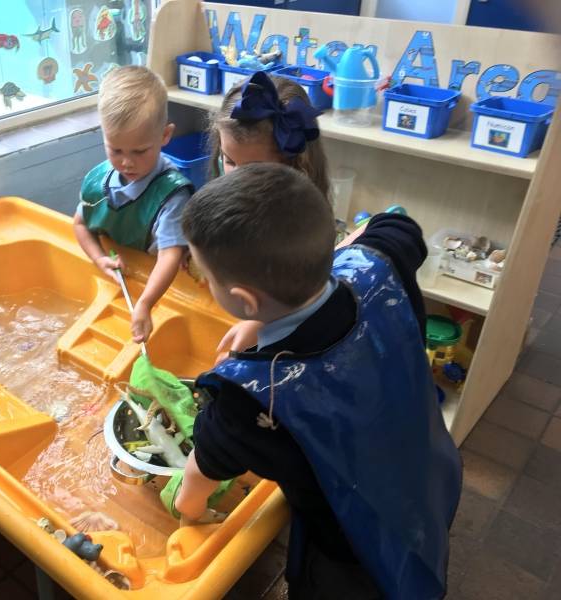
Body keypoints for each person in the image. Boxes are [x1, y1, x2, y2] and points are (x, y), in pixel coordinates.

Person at [174, 163, 462, 599]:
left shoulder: (250, 399)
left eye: (206, 277)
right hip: (427, 471)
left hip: (351, 547)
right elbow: (395, 223)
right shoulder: (380, 259)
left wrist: (188, 509)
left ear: (243, 299)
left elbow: (202, 467)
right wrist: (263, 317)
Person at [210, 71, 427, 357]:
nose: (236, 178)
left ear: (294, 167)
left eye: (254, 170)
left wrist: (258, 322)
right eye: (229, 160)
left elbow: (312, 285)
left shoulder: (296, 222)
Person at [74, 65, 194, 343]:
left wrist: (146, 303)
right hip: (122, 281)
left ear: (165, 136)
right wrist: (99, 258)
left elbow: (170, 256)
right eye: (115, 150)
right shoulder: (98, 181)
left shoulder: (172, 196)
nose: (127, 162)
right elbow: (80, 224)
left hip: (163, 291)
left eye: (140, 151)